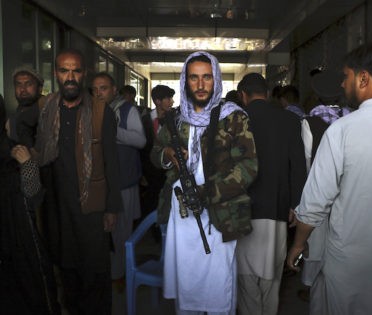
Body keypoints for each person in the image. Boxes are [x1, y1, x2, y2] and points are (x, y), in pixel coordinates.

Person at [287, 42, 372, 315]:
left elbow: (314, 204)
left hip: (350, 263)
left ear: (363, 78)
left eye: (346, 76)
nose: (343, 83)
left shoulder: (342, 131)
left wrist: (298, 245)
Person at [151, 51, 257, 315]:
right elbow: (155, 152)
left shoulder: (233, 118)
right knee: (186, 286)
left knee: (218, 287)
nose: (200, 85)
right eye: (194, 78)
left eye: (206, 78)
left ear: (216, 79)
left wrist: (205, 192)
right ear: (185, 81)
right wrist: (167, 154)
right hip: (181, 216)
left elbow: (248, 167)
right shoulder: (175, 119)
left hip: (219, 213)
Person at [34, 48, 123, 315]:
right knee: (66, 270)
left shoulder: (100, 111)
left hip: (91, 208)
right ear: (56, 74)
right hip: (57, 209)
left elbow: (112, 162)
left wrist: (111, 207)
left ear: (83, 74)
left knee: (94, 272)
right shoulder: (46, 108)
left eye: (76, 71)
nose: (70, 77)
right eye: (64, 71)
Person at [235, 73, 307, 315]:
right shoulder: (289, 120)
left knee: (246, 280)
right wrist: (296, 204)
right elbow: (298, 166)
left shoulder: (237, 120)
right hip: (277, 208)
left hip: (242, 210)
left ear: (243, 96)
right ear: (266, 93)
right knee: (272, 278)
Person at [0, 101, 60, 314]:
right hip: (19, 240)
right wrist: (28, 164)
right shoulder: (16, 153)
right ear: (6, 123)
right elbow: (33, 196)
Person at [91, 72, 146, 291]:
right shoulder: (91, 110)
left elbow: (140, 140)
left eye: (103, 88)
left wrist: (112, 131)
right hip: (99, 183)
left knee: (122, 233)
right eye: (95, 89)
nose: (98, 93)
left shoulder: (126, 109)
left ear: (114, 90)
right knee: (103, 233)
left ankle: (120, 275)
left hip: (123, 182)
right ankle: (107, 273)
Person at [140, 84, 175, 217]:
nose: (172, 102)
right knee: (151, 203)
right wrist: (141, 173)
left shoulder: (175, 119)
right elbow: (141, 150)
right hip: (150, 172)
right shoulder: (145, 120)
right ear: (157, 101)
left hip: (169, 171)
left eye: (172, 98)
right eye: (168, 98)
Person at [8, 66, 44, 147]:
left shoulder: (48, 109)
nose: (23, 89)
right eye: (18, 84)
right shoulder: (14, 116)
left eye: (28, 84)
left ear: (40, 88)